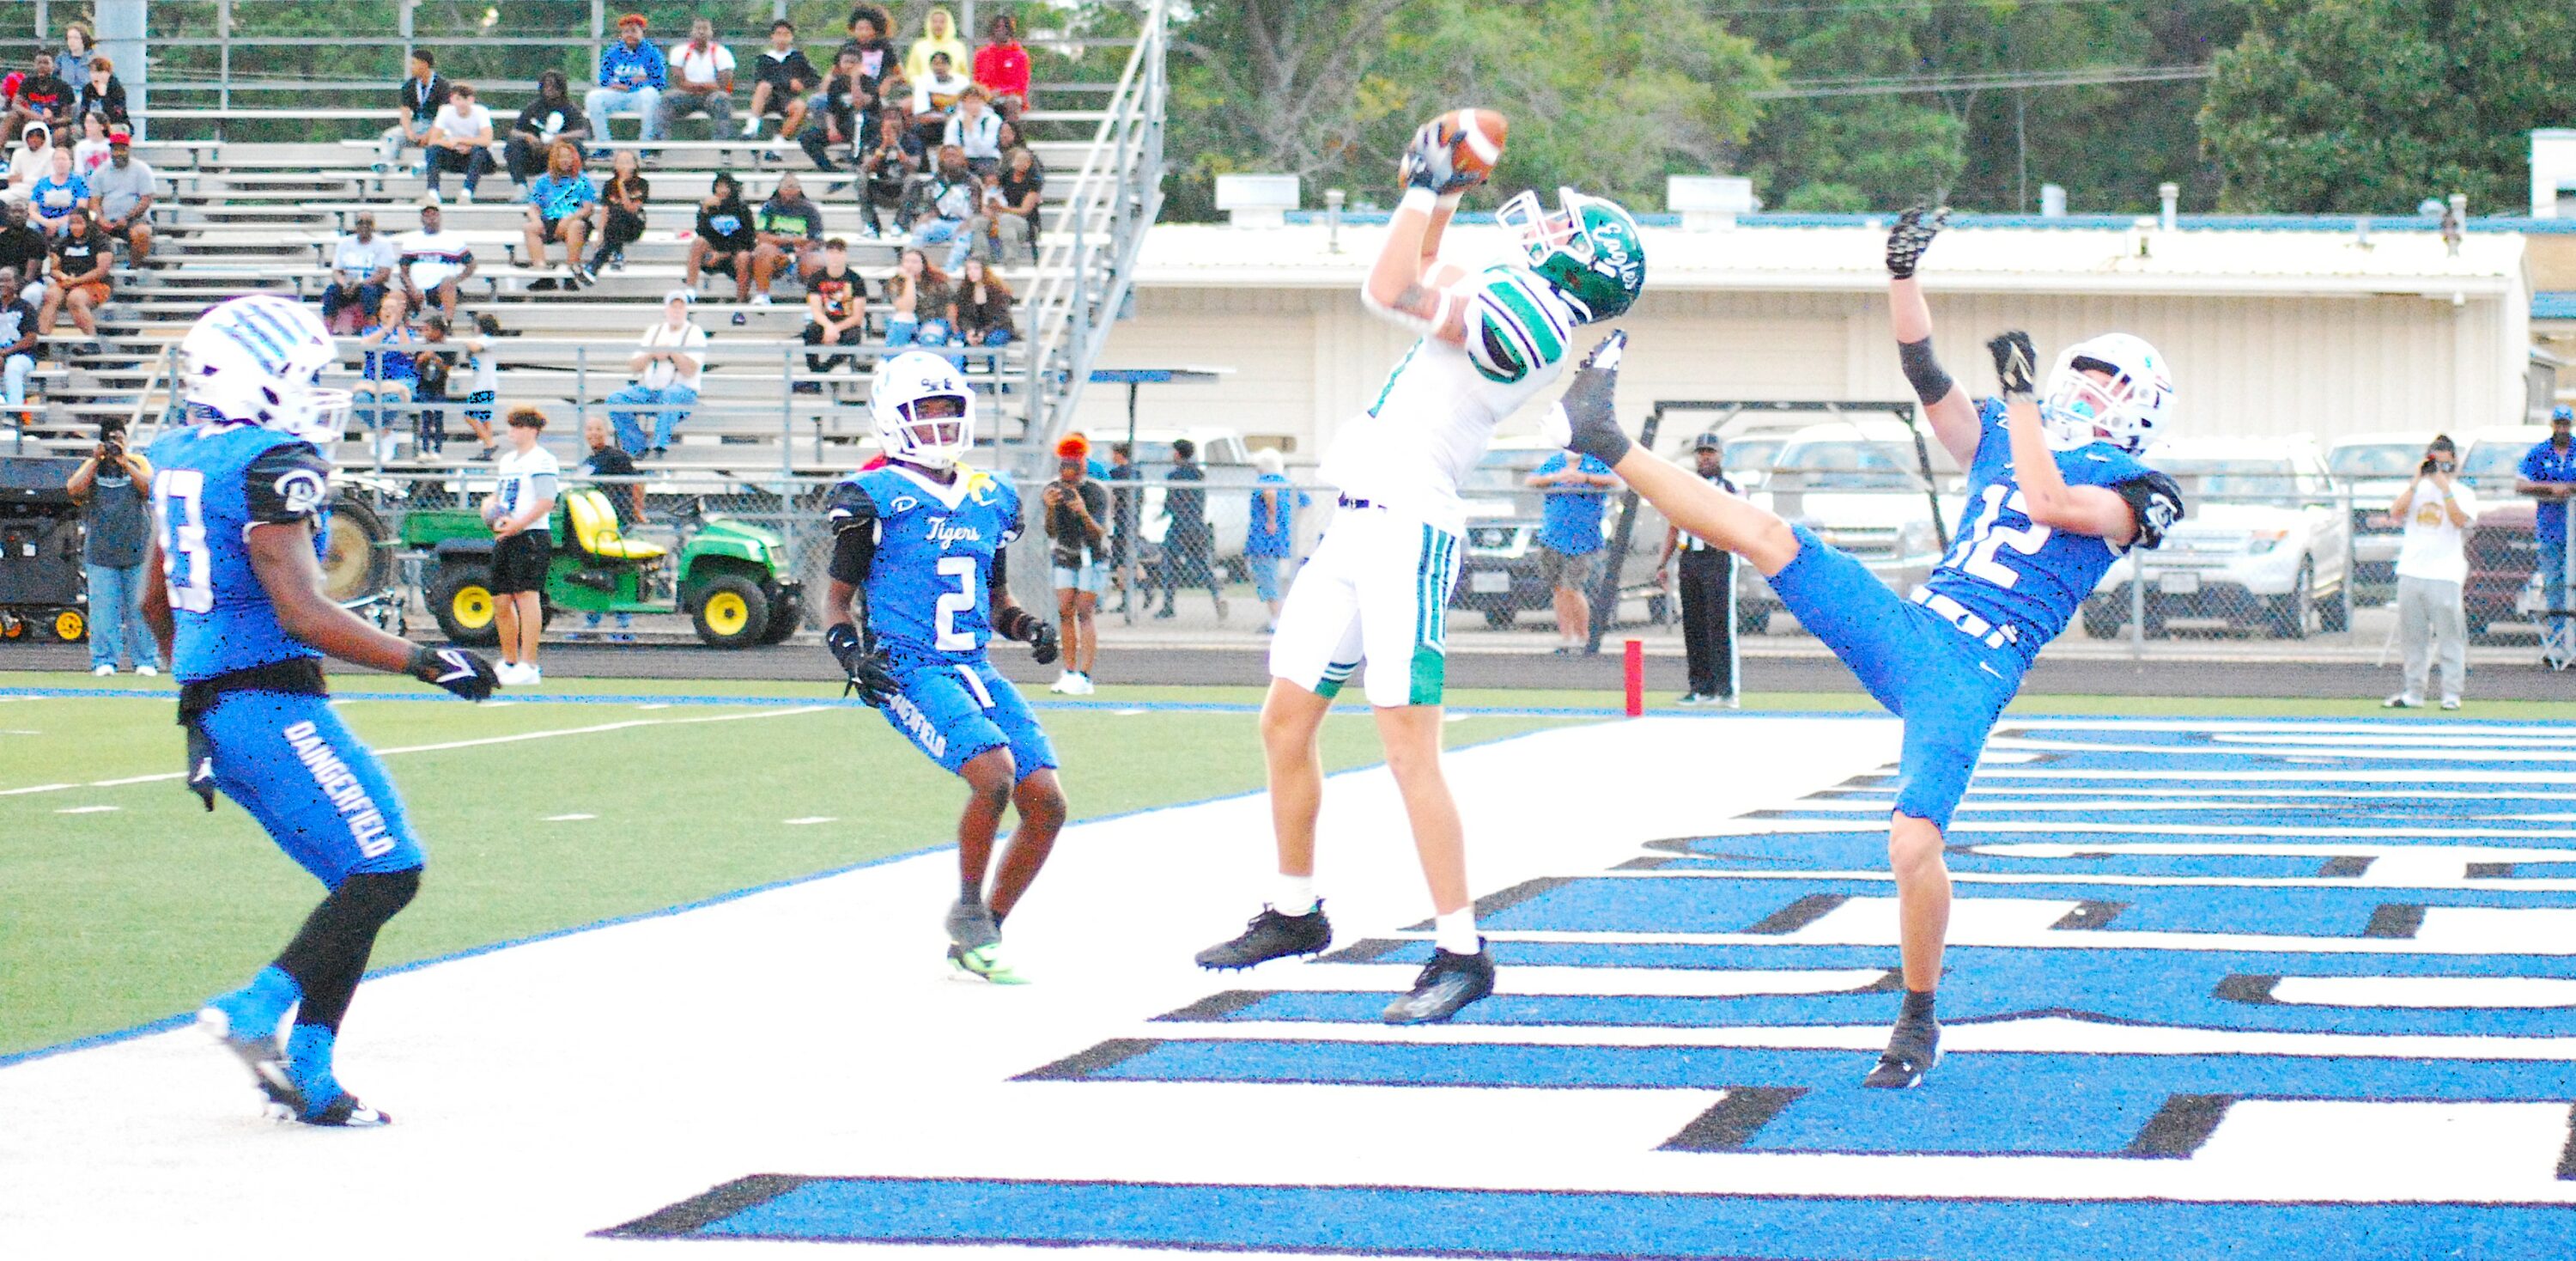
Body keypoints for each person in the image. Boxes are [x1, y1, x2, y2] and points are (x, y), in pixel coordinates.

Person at [1541, 207, 2183, 1086]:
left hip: (1973, 670)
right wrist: (1901, 276)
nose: (2089, 389)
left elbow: (2046, 504)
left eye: (2109, 383)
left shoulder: (2139, 488)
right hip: (1910, 628)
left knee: (1912, 842)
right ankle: (1604, 435)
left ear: (2140, 411)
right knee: (1769, 535)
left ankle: (1918, 1017)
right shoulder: (2005, 428)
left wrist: (2026, 403)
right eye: (2087, 375)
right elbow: (1926, 376)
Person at [1192, 119, 1647, 1026]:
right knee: (1285, 721)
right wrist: (1436, 191)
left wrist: (1421, 189)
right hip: (1358, 522)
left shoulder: (1533, 319)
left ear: (1581, 268)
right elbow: (1426, 262)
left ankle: (1462, 949)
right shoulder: (1519, 291)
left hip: (1409, 529)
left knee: (1408, 748)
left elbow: (1388, 284)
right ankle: (1294, 909)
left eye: (1566, 233)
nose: (1547, 230)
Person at [151, 295, 498, 1129]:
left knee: (358, 884)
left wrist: (197, 688)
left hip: (218, 708)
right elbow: (304, 612)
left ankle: (312, 1072)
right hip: (270, 702)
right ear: (259, 379)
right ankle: (254, 1008)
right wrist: (424, 658)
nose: (314, 393)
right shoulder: (269, 461)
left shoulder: (177, 453)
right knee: (389, 870)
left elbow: (154, 597)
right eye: (302, 376)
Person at [823, 350, 1064, 984]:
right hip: (908, 665)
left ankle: (981, 937)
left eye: (947, 411)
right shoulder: (873, 495)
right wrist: (853, 655)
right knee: (994, 776)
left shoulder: (990, 495)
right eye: (923, 413)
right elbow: (835, 603)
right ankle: (965, 908)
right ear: (893, 419)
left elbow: (997, 600)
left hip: (972, 665)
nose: (938, 425)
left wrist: (1029, 627)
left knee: (1047, 802)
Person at [2383, 435, 2476, 710]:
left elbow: (2460, 520)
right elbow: (2396, 512)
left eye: (2446, 466)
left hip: (2445, 573)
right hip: (2412, 570)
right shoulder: (2415, 490)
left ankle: (2451, 693)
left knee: (2449, 636)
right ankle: (2414, 691)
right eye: (2436, 465)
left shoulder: (2463, 493)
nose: (2439, 472)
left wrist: (2444, 486)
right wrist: (2417, 480)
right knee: (2413, 638)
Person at [67, 420, 160, 675]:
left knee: (140, 610)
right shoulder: (92, 465)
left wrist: (125, 462)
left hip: (137, 550)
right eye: (111, 440)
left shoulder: (138, 462)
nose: (115, 445)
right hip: (100, 553)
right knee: (103, 613)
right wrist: (97, 460)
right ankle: (104, 661)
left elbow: (150, 489)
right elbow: (73, 489)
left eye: (119, 439)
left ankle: (145, 661)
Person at [1656, 433, 1740, 706]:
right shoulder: (1685, 487)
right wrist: (1662, 562)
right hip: (1689, 557)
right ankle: (1699, 686)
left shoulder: (1729, 487)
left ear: (1720, 455)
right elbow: (1673, 525)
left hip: (1717, 557)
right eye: (1701, 452)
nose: (1705, 457)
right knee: (1693, 624)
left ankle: (1724, 687)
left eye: (1711, 452)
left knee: (1718, 623)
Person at [486, 407, 558, 687]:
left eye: (517, 426)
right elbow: (498, 496)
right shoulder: (507, 460)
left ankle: (529, 664)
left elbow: (546, 500)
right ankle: (510, 660)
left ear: (531, 429)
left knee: (526, 596)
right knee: (500, 598)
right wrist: (490, 509)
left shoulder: (541, 460)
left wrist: (517, 524)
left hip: (531, 534)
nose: (512, 431)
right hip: (507, 535)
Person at [1528, 448, 1618, 653]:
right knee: (1559, 589)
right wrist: (1556, 477)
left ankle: (1584, 637)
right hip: (1553, 536)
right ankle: (1567, 638)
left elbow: (1614, 481)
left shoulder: (1593, 462)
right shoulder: (1556, 462)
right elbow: (1532, 480)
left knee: (1573, 588)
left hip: (1581, 538)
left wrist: (1584, 478)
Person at [1043, 433, 1109, 694]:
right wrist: (1050, 507)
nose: (1068, 471)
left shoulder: (1095, 492)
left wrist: (1082, 511)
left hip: (1091, 556)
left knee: (1085, 611)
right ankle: (1069, 670)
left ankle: (1085, 674)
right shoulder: (1053, 489)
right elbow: (1051, 532)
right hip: (1065, 553)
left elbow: (1099, 532)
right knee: (1064, 610)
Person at [607, 290, 705, 458]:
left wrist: (672, 353)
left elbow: (691, 369)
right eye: (673, 307)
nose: (676, 311)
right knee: (615, 400)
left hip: (683, 394)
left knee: (671, 393)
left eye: (680, 307)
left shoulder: (695, 332)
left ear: (686, 310)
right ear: (666, 310)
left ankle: (659, 447)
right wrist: (652, 353)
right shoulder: (655, 331)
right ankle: (637, 446)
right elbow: (634, 365)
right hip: (651, 390)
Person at [572, 414, 641, 643]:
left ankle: (624, 626)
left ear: (607, 432)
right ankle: (591, 624)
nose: (594, 433)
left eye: (598, 429)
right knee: (595, 572)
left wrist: (638, 512)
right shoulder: (588, 462)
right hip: (592, 525)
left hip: (615, 522)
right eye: (590, 429)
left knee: (616, 568)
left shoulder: (616, 457)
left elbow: (637, 483)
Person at [2517, 405, 2576, 655]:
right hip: (2551, 529)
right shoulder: (2540, 452)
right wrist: (2550, 489)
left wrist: (2569, 488)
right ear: (2552, 424)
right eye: (2558, 423)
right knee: (2555, 583)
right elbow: (2521, 484)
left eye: (2566, 424)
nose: (2562, 428)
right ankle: (2559, 641)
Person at [1152, 436, 1225, 619]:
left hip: (1179, 526)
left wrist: (1163, 513)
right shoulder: (1199, 474)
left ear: (1177, 453)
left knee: (1169, 564)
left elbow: (1171, 503)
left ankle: (1168, 606)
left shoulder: (1174, 476)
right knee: (1201, 564)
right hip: (1197, 524)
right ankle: (1217, 594)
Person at [1245, 448, 1307, 631]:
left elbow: (1269, 494)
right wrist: (1290, 522)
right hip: (1281, 538)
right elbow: (1304, 502)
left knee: (1268, 580)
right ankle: (1278, 618)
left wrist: (1271, 520)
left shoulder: (1265, 481)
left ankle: (1276, 621)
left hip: (1263, 539)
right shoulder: (1287, 483)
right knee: (1277, 578)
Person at [520, 141, 596, 292]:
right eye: (561, 157)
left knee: (576, 226)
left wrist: (568, 219)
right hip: (551, 219)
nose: (565, 160)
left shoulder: (583, 180)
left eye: (568, 157)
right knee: (530, 227)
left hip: (574, 220)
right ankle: (542, 273)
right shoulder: (543, 181)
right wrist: (536, 219)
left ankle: (571, 274)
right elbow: (533, 206)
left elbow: (588, 209)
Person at [586, 13, 669, 148]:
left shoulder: (652, 53)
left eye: (634, 31)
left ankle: (645, 147)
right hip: (617, 95)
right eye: (626, 32)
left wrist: (630, 86)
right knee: (593, 97)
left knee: (651, 95)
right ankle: (604, 147)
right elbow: (604, 79)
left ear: (642, 32)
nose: (630, 35)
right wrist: (630, 83)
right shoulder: (613, 53)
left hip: (640, 97)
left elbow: (659, 82)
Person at [38, 205, 108, 352]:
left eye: (79, 222)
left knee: (75, 298)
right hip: (67, 281)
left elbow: (102, 270)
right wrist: (62, 276)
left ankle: (92, 341)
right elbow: (54, 268)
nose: (75, 226)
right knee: (50, 295)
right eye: (72, 223)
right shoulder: (63, 242)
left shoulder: (100, 241)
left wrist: (77, 281)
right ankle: (42, 341)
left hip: (94, 284)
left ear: (88, 223)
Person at [504, 70, 591, 189]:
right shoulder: (534, 107)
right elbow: (514, 131)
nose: (549, 89)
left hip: (559, 157)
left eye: (553, 86)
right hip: (536, 155)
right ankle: (521, 187)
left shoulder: (570, 108)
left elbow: (583, 132)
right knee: (513, 145)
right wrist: (527, 136)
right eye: (546, 85)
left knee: (576, 146)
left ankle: (572, 185)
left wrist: (561, 138)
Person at [796, 46, 876, 174]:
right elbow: (831, 110)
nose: (849, 65)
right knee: (806, 138)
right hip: (843, 127)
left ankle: (856, 168)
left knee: (857, 119)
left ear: (860, 64)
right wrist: (832, 128)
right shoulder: (836, 85)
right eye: (846, 62)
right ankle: (831, 171)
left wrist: (855, 80)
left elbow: (859, 105)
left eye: (853, 62)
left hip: (864, 129)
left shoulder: (869, 83)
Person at [351, 289, 418, 442]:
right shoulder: (370, 331)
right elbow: (365, 346)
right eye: (385, 308)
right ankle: (383, 430)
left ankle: (382, 433)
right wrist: (386, 329)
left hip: (400, 379)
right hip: (372, 379)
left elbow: (407, 351)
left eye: (392, 309)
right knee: (361, 399)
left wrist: (398, 324)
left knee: (392, 399)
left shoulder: (408, 333)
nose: (389, 312)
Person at [748, 173, 824, 306]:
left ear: (799, 190)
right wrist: (791, 241)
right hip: (776, 253)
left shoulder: (810, 210)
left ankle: (813, 305)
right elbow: (761, 236)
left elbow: (816, 240)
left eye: (793, 188)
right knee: (763, 249)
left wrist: (795, 255)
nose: (789, 192)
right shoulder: (769, 208)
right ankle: (762, 295)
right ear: (779, 190)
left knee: (816, 261)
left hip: (801, 254)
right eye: (786, 188)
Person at [394, 200, 474, 323]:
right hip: (417, 290)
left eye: (434, 214)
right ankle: (396, 330)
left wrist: (456, 280)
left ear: (440, 217)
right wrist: (412, 289)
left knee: (448, 284)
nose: (431, 218)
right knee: (395, 297)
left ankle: (448, 324)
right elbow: (403, 272)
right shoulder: (412, 240)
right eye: (427, 215)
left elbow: (471, 265)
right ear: (422, 219)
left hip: (440, 290)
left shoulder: (453, 240)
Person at [799, 238, 866, 387]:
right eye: (831, 252)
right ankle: (814, 371)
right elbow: (816, 311)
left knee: (853, 338)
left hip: (847, 323)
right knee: (810, 332)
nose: (835, 256)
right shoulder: (816, 278)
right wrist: (829, 326)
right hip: (825, 320)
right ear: (826, 254)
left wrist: (836, 328)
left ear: (845, 255)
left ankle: (821, 372)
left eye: (839, 252)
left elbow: (857, 316)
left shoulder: (856, 280)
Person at [657, 16, 736, 137]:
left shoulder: (722, 53)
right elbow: (679, 82)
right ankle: (657, 145)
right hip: (687, 95)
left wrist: (696, 86)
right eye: (698, 28)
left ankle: (723, 147)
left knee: (723, 99)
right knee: (667, 98)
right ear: (691, 32)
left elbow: (722, 85)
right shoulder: (679, 51)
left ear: (711, 32)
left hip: (712, 97)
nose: (701, 32)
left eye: (705, 28)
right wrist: (705, 86)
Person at [688, 173, 757, 303]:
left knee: (744, 257)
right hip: (712, 254)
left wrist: (722, 255)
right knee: (698, 242)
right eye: (719, 187)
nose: (723, 190)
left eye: (726, 187)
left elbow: (747, 240)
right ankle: (690, 292)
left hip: (734, 255)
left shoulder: (742, 209)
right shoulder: (708, 207)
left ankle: (740, 302)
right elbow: (702, 232)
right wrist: (704, 211)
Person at [422, 82, 496, 204]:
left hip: (480, 160)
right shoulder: (445, 112)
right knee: (433, 150)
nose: (462, 103)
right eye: (458, 99)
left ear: (472, 100)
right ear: (452, 99)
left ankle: (467, 193)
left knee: (479, 150)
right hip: (456, 155)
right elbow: (433, 140)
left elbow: (487, 140)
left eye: (466, 99)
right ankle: (432, 192)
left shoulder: (481, 112)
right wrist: (453, 145)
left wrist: (464, 142)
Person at [743, 20, 817, 142]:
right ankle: (752, 127)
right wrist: (788, 83)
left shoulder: (798, 58)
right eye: (778, 34)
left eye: (786, 34)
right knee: (763, 86)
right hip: (768, 98)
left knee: (801, 107)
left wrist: (802, 83)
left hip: (788, 99)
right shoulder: (764, 59)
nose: (782, 38)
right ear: (772, 37)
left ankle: (778, 144)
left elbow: (814, 78)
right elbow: (760, 79)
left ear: (791, 37)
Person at [85, 130, 150, 265]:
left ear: (128, 149)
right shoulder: (100, 172)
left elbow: (146, 200)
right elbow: (94, 201)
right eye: (115, 149)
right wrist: (100, 219)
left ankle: (132, 270)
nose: (118, 153)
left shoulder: (142, 169)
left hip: (134, 219)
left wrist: (127, 217)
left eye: (122, 149)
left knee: (143, 233)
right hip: (106, 220)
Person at [858, 108, 926, 238]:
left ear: (902, 121)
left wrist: (896, 145)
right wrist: (884, 146)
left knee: (913, 179)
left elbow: (913, 167)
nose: (892, 122)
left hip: (903, 190)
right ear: (882, 123)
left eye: (895, 118)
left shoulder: (912, 140)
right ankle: (870, 225)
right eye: (888, 118)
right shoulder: (875, 141)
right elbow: (866, 167)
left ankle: (899, 225)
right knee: (860, 178)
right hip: (881, 188)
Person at [378, 50, 448, 173]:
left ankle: (425, 165)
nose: (411, 67)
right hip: (417, 125)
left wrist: (430, 134)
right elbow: (405, 112)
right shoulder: (409, 86)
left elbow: (443, 115)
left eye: (414, 63)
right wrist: (409, 132)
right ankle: (384, 164)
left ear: (424, 64)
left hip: (436, 127)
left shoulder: (442, 85)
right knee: (391, 135)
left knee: (442, 140)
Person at [586, 147, 649, 280]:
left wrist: (621, 184)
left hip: (634, 225)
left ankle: (596, 264)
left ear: (635, 165)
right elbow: (605, 211)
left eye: (628, 161)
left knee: (619, 211)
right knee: (614, 215)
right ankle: (615, 255)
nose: (625, 165)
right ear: (615, 165)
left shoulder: (642, 184)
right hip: (615, 228)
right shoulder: (609, 185)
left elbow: (631, 208)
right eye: (621, 161)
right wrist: (600, 236)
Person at [915, 144, 979, 271]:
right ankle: (912, 266)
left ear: (962, 160)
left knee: (964, 238)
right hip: (942, 222)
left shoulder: (972, 182)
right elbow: (930, 205)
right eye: (947, 156)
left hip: (963, 223)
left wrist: (970, 221)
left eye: (954, 156)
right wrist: (927, 215)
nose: (950, 159)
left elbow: (978, 209)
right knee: (920, 230)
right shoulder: (935, 182)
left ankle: (948, 271)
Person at [980, 145, 1042, 265]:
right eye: (1017, 160)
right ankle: (983, 259)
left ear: (1029, 164)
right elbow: (990, 188)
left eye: (1023, 160)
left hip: (1025, 222)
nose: (1019, 163)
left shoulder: (1034, 183)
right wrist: (986, 207)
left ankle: (1010, 259)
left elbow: (1024, 210)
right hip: (1000, 218)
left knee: (1006, 219)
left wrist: (1002, 209)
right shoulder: (1006, 177)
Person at [882, 247, 951, 350]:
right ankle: (889, 360)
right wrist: (909, 280)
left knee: (930, 339)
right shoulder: (895, 283)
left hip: (932, 319)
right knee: (900, 326)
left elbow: (950, 305)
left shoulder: (937, 283)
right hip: (906, 320)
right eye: (907, 261)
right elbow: (905, 309)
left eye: (915, 262)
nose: (910, 265)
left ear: (923, 265)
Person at [951, 256, 1013, 370]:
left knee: (994, 340)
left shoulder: (998, 290)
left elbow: (1002, 318)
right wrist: (969, 330)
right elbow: (963, 317)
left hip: (996, 328)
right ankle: (960, 375)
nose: (972, 272)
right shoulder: (964, 290)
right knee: (957, 340)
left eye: (976, 268)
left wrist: (984, 332)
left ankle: (996, 378)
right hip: (974, 328)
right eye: (969, 269)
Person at [5, 49, 71, 145]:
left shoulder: (63, 86)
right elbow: (15, 105)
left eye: (46, 63)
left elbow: (68, 117)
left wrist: (54, 120)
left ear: (53, 66)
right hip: (31, 122)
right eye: (39, 63)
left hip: (54, 125)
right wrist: (35, 116)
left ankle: (56, 157)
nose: (42, 66)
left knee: (61, 133)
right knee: (12, 116)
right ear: (34, 65)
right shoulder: (28, 83)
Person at [972, 12, 1031, 117]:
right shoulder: (981, 54)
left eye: (1005, 26)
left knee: (1012, 103)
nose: (1001, 30)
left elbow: (1021, 86)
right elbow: (977, 81)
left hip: (1010, 98)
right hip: (986, 97)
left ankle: (1011, 131)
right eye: (997, 26)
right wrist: (987, 94)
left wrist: (1000, 92)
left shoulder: (1020, 55)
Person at [908, 52, 970, 150]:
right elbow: (921, 116)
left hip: (958, 123)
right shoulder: (923, 81)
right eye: (936, 64)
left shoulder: (962, 82)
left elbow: (965, 110)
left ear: (950, 66)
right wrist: (946, 117)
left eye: (943, 64)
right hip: (933, 125)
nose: (939, 67)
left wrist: (951, 116)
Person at [1107, 441, 1141, 610]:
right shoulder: (1136, 473)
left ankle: (1128, 600)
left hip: (1122, 521)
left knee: (1121, 562)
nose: (1112, 457)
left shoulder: (1116, 473)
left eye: (1114, 453)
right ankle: (1129, 598)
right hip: (1133, 520)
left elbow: (1113, 498)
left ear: (1120, 454)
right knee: (1127, 559)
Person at [943, 86, 1002, 179]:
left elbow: (985, 150)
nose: (974, 106)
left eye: (977, 102)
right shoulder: (955, 121)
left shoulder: (993, 120)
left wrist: (971, 131)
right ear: (963, 103)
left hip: (987, 159)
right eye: (970, 102)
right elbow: (950, 146)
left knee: (987, 171)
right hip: (964, 159)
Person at [26, 146, 85, 237]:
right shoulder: (42, 182)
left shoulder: (78, 181)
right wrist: (46, 222)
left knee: (65, 228)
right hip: (44, 220)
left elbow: (81, 208)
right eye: (57, 159)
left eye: (64, 159)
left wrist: (58, 222)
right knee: (30, 226)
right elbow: (31, 210)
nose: (60, 162)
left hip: (68, 220)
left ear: (71, 163)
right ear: (52, 162)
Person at [0, 267, 35, 419]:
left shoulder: (25, 307)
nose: (2, 284)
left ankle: (14, 414)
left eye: (7, 280)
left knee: (13, 367)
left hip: (21, 356)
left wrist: (5, 353)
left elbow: (30, 338)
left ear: (16, 284)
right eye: (0, 280)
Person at [0, 202, 46, 313]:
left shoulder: (36, 238)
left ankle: (27, 326)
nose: (17, 215)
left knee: (29, 294)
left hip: (31, 282)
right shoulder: (2, 238)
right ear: (7, 215)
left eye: (21, 212)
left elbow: (31, 273)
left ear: (27, 215)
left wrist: (15, 287)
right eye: (13, 212)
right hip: (4, 280)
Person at [3, 121, 53, 204]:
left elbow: (47, 181)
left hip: (42, 194)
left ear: (44, 138)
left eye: (38, 137)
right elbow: (12, 179)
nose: (34, 140)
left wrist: (23, 178)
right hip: (18, 191)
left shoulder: (52, 154)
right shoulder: (18, 153)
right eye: (31, 137)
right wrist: (23, 181)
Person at [76, 54, 125, 131]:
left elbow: (118, 116)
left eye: (98, 72)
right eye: (92, 72)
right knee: (75, 131)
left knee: (118, 130)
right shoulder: (87, 89)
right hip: (90, 125)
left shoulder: (117, 89)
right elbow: (83, 112)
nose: (94, 75)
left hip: (114, 125)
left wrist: (103, 95)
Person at [70, 110, 107, 175]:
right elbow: (79, 171)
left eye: (92, 122)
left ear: (102, 126)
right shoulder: (81, 146)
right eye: (86, 122)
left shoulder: (110, 145)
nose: (88, 125)